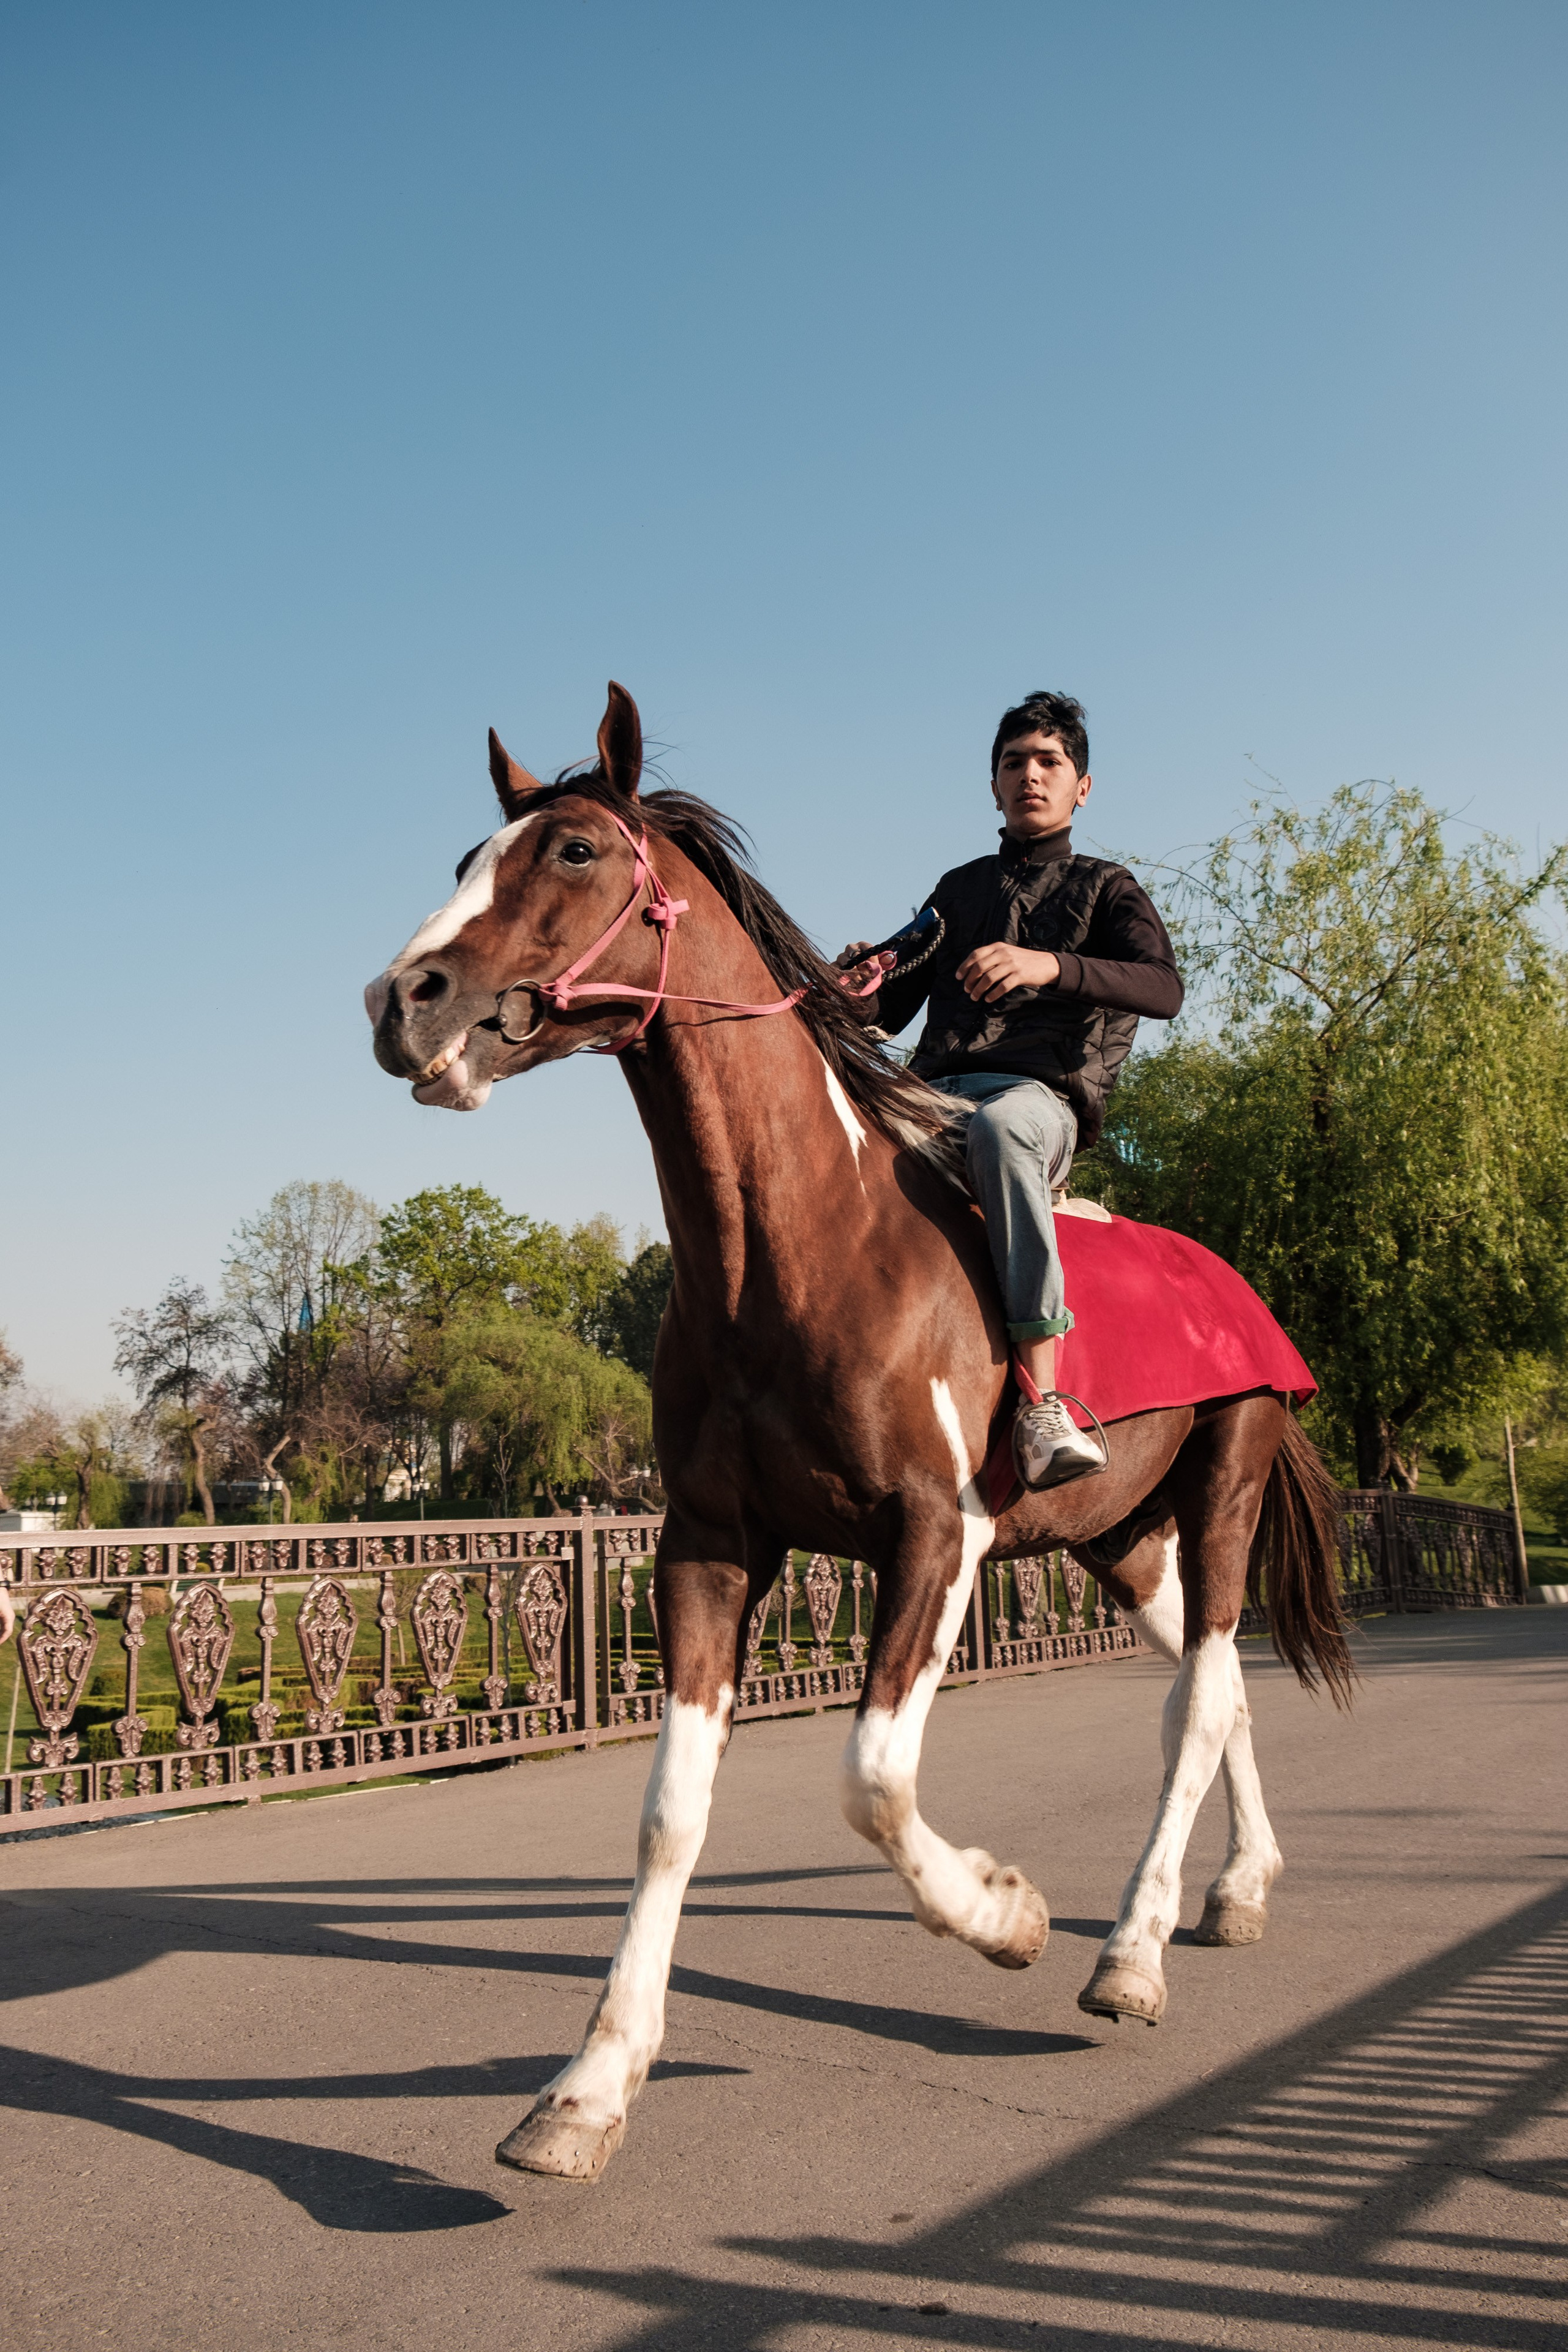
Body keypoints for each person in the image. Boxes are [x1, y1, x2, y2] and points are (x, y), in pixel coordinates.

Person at [838, 690, 1183, 1491]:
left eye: (1050, 762)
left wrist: (1048, 966)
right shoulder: (956, 891)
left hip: (1035, 1103)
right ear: (993, 784)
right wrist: (854, 986)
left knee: (1005, 1132)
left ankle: (1043, 1400)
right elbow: (887, 1011)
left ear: (1081, 786)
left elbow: (1164, 988)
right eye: (1014, 762)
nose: (1031, 774)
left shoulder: (1107, 888)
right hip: (927, 1096)